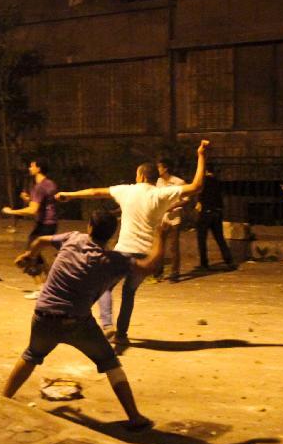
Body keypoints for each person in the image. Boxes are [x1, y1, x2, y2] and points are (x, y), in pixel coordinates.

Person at [2, 210, 171, 430]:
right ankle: (135, 417)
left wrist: (30, 255)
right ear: (113, 235)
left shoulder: (73, 238)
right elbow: (150, 266)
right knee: (110, 363)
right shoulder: (116, 261)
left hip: (44, 315)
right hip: (77, 322)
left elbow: (41, 240)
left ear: (89, 227)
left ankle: (1, 399)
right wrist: (162, 235)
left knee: (32, 355)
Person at [56, 140, 210, 343]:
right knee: (129, 294)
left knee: (104, 287)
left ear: (141, 176)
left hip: (123, 252)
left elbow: (95, 192)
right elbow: (197, 186)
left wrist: (69, 195)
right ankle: (121, 335)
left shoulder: (127, 190)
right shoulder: (160, 194)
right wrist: (201, 155)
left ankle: (108, 325)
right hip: (146, 254)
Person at [2, 159, 58, 298]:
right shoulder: (50, 184)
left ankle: (41, 289)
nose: (29, 168)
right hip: (51, 223)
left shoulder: (38, 187)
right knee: (36, 253)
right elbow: (43, 203)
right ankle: (50, 284)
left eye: (32, 166)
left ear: (38, 168)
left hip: (43, 224)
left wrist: (11, 212)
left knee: (29, 256)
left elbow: (33, 210)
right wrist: (29, 199)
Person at [195, 167, 235, 270]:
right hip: (217, 212)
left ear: (206, 171)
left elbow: (200, 195)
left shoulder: (203, 182)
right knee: (220, 238)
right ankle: (229, 261)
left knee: (202, 239)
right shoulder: (218, 183)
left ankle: (204, 263)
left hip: (206, 212)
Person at [154, 157, 186, 282]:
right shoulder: (159, 181)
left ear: (165, 168)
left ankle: (175, 273)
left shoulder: (178, 182)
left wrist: (173, 206)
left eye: (159, 167)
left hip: (174, 218)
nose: (158, 170)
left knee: (174, 247)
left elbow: (186, 200)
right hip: (162, 218)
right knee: (159, 246)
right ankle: (158, 272)